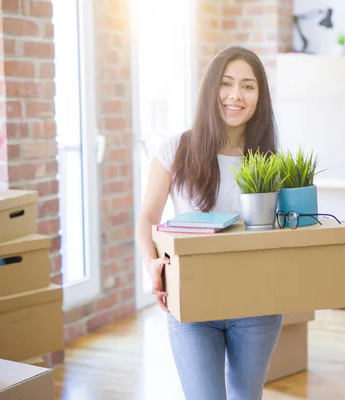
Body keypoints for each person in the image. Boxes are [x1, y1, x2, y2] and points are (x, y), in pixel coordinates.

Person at [135, 46, 283, 400]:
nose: (235, 95)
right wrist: (151, 264)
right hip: (192, 306)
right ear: (210, 90)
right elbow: (147, 217)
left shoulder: (269, 160)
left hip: (256, 307)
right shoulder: (176, 150)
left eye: (248, 86)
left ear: (259, 97)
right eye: (226, 83)